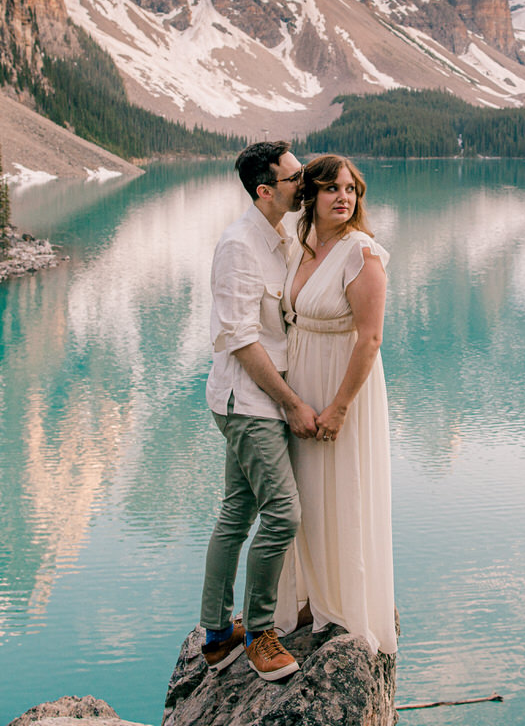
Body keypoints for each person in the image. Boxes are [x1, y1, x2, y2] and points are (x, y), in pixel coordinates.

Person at [198, 141, 317, 681]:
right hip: (250, 403)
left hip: (258, 400)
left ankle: (218, 635)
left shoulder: (282, 233)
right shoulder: (239, 246)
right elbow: (244, 341)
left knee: (236, 513)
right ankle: (262, 634)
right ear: (264, 189)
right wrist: (290, 402)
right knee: (283, 515)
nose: (305, 181)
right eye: (296, 177)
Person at [283, 154, 397, 656]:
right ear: (310, 195)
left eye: (350, 189)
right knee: (303, 492)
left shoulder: (362, 253)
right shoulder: (302, 246)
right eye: (331, 188)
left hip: (342, 386)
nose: (343, 197)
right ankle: (307, 596)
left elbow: (369, 339)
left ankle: (346, 605)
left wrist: (340, 407)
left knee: (342, 489)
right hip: (300, 385)